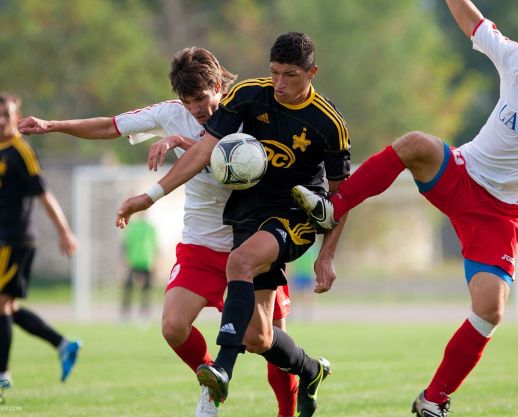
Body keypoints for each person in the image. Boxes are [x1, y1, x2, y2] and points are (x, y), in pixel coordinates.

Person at [291, 1, 518, 416]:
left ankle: (433, 400)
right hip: (463, 173)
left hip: (501, 212)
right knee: (415, 143)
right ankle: (334, 207)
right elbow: (473, 23)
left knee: (490, 310)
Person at [18, 47, 298, 417]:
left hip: (252, 241)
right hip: (202, 243)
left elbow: (238, 157)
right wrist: (53, 125)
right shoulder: (169, 113)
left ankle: (290, 408)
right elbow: (109, 126)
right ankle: (211, 386)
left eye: (200, 98)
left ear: (217, 86)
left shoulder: (247, 108)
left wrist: (180, 143)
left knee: (265, 342)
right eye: (187, 101)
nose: (195, 108)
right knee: (172, 326)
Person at [115, 32, 351, 417]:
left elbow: (343, 197)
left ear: (312, 72)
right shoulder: (248, 95)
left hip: (294, 216)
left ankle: (221, 372)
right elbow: (206, 149)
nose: (280, 84)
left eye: (290, 75)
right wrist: (150, 197)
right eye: (274, 73)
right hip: (247, 214)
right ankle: (310, 370)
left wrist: (327, 254)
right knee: (258, 338)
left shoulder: (329, 123)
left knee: (238, 262)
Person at [0, 93, 81, 388]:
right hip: (2, 240)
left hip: (15, 240)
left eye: (6, 115)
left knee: (1, 305)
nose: (1, 121)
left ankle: (2, 375)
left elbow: (43, 193)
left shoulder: (21, 150)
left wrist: (64, 231)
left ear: (16, 115)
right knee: (8, 309)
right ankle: (62, 344)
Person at [121, 215, 158, 322]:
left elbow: (155, 245)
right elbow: (126, 244)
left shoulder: (151, 228)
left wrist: (155, 262)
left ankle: (144, 315)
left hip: (147, 262)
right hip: (133, 261)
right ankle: (125, 314)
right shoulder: (133, 227)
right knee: (128, 287)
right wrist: (125, 259)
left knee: (146, 290)